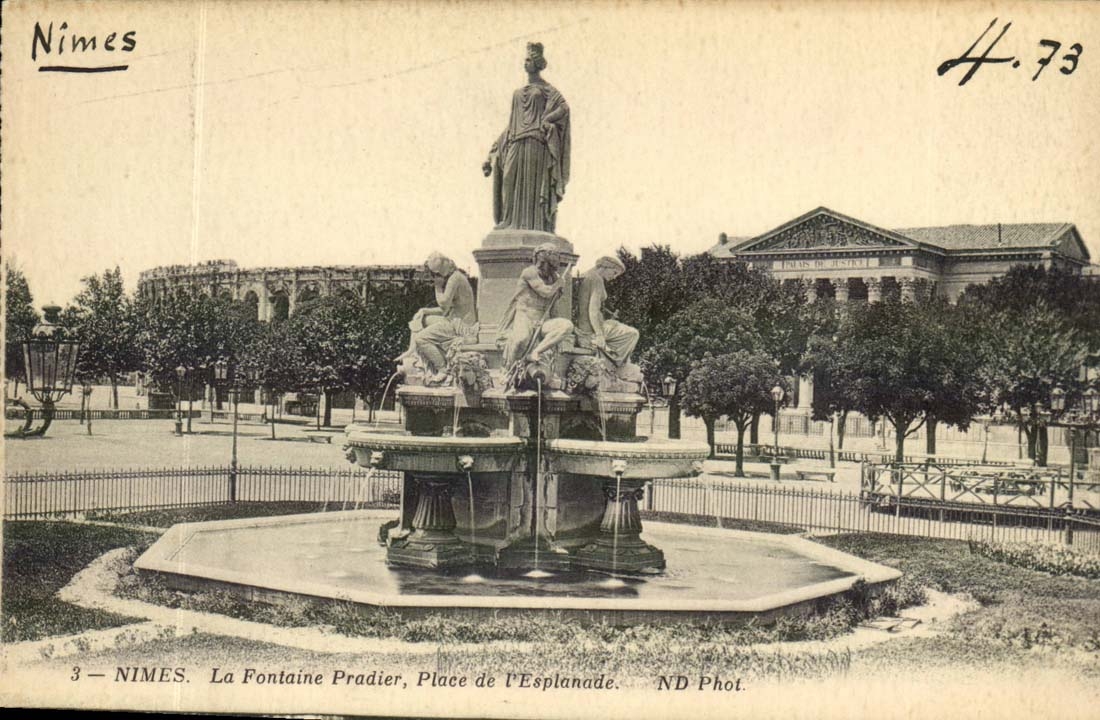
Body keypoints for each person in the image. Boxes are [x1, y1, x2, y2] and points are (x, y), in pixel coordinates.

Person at [482, 42, 570, 233]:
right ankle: (508, 220)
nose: (525, 63)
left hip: (535, 144)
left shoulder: (547, 89)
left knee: (531, 189)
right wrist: (492, 152)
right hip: (515, 141)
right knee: (508, 180)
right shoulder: (518, 93)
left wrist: (547, 118)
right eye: (525, 59)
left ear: (537, 63)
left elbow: (564, 108)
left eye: (529, 59)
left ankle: (533, 225)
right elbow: (511, 124)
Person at [397, 253, 477, 382]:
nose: (434, 277)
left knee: (421, 338)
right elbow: (448, 309)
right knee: (421, 318)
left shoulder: (454, 279)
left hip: (460, 326)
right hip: (455, 320)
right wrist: (425, 310)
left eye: (434, 274)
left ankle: (442, 369)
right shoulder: (457, 277)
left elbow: (444, 305)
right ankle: (411, 352)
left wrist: (437, 286)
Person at [497, 243, 574, 367]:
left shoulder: (553, 277)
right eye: (555, 255)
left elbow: (553, 304)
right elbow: (545, 292)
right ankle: (507, 368)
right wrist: (558, 284)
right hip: (525, 316)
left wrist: (557, 291)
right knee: (521, 339)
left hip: (542, 320)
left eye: (557, 256)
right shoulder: (529, 272)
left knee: (566, 326)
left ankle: (536, 351)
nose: (540, 266)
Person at [575, 256, 639, 366]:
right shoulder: (596, 279)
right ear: (606, 266)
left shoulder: (586, 275)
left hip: (584, 325)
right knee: (633, 333)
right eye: (614, 273)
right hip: (590, 330)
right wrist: (599, 335)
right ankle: (615, 364)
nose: (614, 277)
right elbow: (593, 310)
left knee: (615, 324)